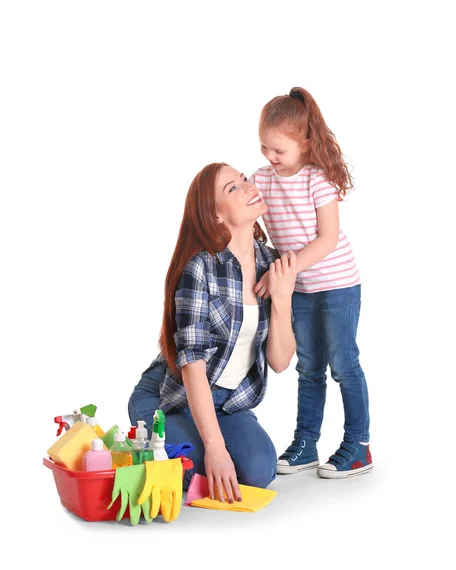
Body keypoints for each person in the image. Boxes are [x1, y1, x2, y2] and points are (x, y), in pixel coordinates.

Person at [128, 162, 297, 502]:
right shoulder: (200, 267)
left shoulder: (272, 262)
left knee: (259, 473)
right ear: (216, 215)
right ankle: (139, 440)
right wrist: (216, 448)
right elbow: (193, 367)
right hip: (171, 398)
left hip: (229, 404)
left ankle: (186, 451)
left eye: (244, 179)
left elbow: (279, 362)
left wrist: (282, 299)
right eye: (232, 188)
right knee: (195, 465)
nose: (248, 187)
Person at [251, 87, 372, 478]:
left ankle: (359, 445)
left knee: (344, 365)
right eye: (264, 147)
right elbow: (246, 216)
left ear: (304, 143)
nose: (270, 157)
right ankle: (306, 442)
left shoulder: (317, 180)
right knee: (309, 367)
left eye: (278, 150)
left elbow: (327, 238)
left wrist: (280, 271)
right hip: (299, 290)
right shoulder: (262, 179)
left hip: (337, 286)